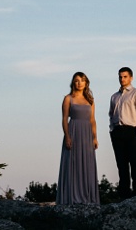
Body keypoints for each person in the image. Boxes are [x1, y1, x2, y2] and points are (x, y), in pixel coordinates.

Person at [56, 71, 100, 204]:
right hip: (74, 132)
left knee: (87, 165)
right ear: (73, 83)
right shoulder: (68, 98)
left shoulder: (90, 100)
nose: (79, 83)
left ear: (86, 83)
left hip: (87, 135)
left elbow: (92, 120)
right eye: (76, 80)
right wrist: (67, 136)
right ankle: (71, 197)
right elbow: (64, 119)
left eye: (82, 80)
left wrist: (95, 137)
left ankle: (88, 198)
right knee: (73, 164)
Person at [108, 66, 136, 199]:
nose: (122, 79)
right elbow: (111, 114)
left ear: (131, 78)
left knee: (135, 163)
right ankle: (124, 194)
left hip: (132, 132)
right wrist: (112, 129)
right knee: (121, 164)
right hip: (118, 132)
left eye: (125, 76)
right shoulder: (114, 96)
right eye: (120, 76)